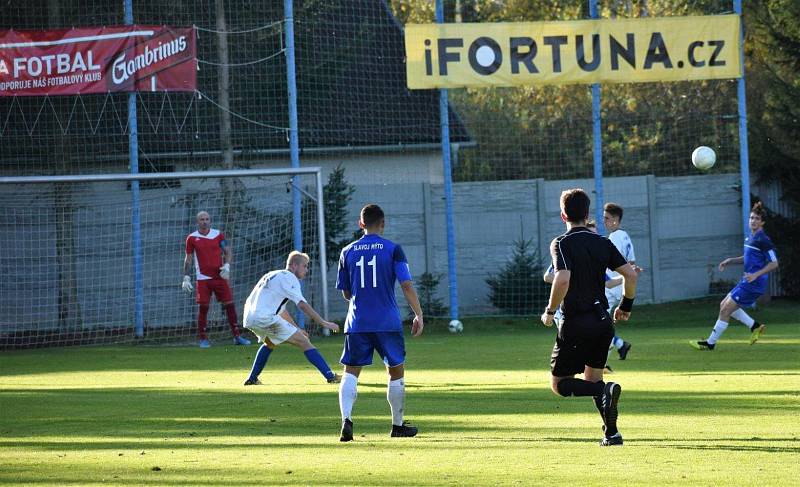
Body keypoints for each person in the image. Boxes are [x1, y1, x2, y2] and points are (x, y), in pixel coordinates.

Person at [541, 189, 638, 446]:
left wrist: (550, 312)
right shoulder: (603, 242)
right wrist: (626, 306)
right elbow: (631, 274)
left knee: (560, 385)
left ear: (563, 215)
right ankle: (612, 433)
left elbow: (562, 278)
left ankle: (603, 392)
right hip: (602, 322)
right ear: (587, 214)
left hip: (576, 323)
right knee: (594, 377)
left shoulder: (561, 243)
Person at [336, 204, 424, 442]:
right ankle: (397, 426)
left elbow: (346, 293)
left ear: (360, 223)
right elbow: (406, 285)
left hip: (357, 322)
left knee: (350, 372)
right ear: (383, 223)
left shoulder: (347, 251)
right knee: (395, 371)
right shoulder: (393, 249)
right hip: (387, 321)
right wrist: (418, 314)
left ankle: (346, 421)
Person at [241, 251, 342, 385]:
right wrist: (324, 323)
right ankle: (330, 376)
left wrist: (297, 329)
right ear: (294, 265)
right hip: (265, 317)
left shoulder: (272, 275)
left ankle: (252, 379)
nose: (307, 270)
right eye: (305, 266)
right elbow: (302, 305)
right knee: (304, 342)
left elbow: (282, 312)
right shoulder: (289, 278)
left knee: (270, 343)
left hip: (250, 318)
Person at [691, 202, 778, 350]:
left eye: (757, 218)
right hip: (747, 281)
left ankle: (710, 343)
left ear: (762, 222)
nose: (753, 221)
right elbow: (749, 257)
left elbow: (774, 263)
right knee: (724, 305)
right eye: (751, 218)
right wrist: (731, 260)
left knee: (725, 310)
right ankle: (755, 326)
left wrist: (756, 275)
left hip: (754, 283)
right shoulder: (751, 237)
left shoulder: (764, 239)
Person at [182, 211, 250, 348]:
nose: (205, 221)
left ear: (210, 221)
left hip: (219, 277)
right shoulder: (192, 238)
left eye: (207, 219)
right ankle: (203, 339)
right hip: (203, 279)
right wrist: (186, 277)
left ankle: (237, 336)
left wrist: (227, 265)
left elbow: (228, 251)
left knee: (230, 304)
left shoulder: (217, 234)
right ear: (197, 222)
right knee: (204, 307)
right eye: (202, 219)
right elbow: (188, 258)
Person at [603, 203, 635, 361]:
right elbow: (632, 263)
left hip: (610, 286)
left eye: (607, 218)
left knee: (600, 323)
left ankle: (603, 362)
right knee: (602, 322)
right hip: (620, 287)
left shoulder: (614, 238)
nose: (604, 222)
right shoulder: (626, 236)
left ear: (615, 220)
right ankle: (621, 345)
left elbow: (607, 260)